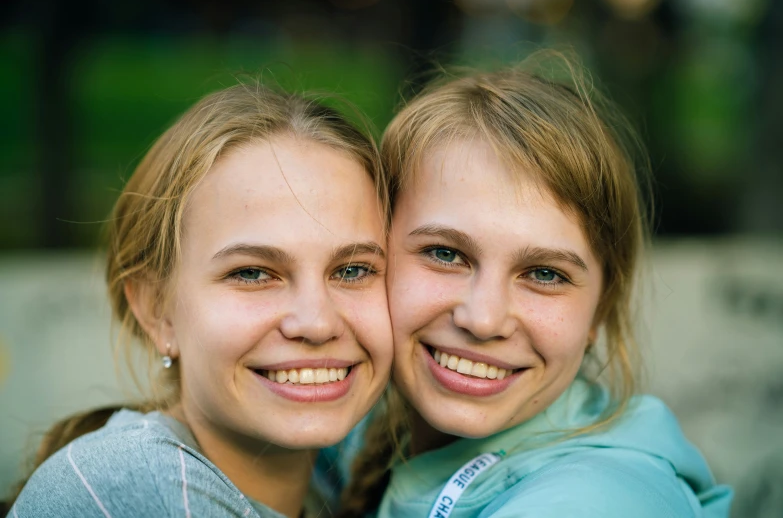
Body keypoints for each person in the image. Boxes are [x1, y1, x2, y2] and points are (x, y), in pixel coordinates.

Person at [339, 54, 733, 518]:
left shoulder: (598, 501)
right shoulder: (354, 424)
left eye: (545, 274)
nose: (484, 319)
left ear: (599, 311)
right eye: (446, 254)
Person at [9, 82, 393, 518]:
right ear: (157, 311)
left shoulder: (337, 485)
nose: (317, 322)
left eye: (352, 270)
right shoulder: (143, 484)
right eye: (251, 273)